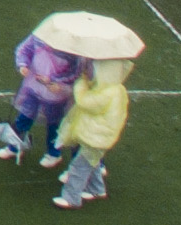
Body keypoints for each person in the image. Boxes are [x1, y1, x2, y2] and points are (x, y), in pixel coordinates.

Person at [0, 29, 81, 161]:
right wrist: (23, 65)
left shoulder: (72, 50)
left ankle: (53, 154)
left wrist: (55, 81)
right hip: (33, 88)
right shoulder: (40, 36)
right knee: (24, 117)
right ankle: (15, 146)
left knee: (54, 124)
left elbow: (75, 72)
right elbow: (24, 49)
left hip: (54, 95)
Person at [48, 58, 130, 209]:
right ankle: (96, 189)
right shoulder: (116, 89)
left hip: (97, 137)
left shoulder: (107, 92)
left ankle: (71, 198)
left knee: (79, 167)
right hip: (102, 137)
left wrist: (81, 83)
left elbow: (85, 102)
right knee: (92, 162)